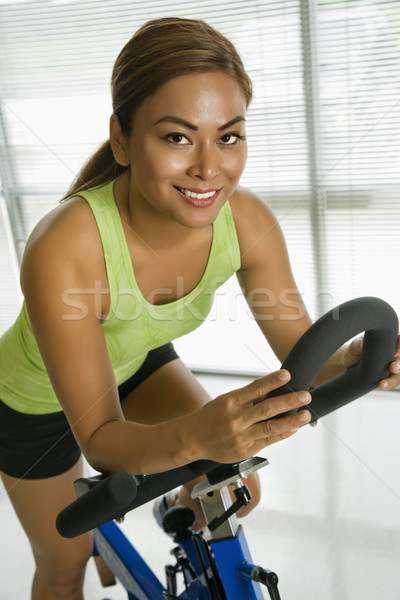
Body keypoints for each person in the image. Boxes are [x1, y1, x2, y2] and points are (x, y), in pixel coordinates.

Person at [0, 17, 399, 600]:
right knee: (65, 563)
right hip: (35, 405)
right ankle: (98, 551)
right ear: (122, 139)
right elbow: (103, 441)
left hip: (135, 364)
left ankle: (175, 520)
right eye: (177, 137)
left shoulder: (248, 221)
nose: (210, 170)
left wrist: (362, 359)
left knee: (234, 487)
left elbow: (302, 359)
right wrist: (192, 440)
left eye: (229, 136)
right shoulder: (65, 246)